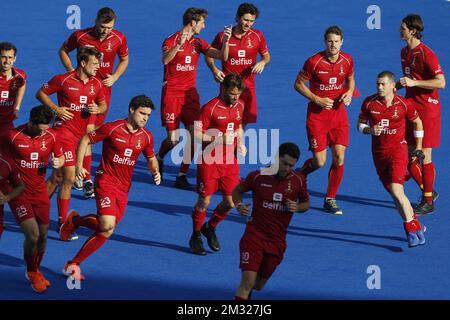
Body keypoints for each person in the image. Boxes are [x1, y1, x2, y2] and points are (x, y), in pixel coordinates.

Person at [60, 95, 161, 280]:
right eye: (142, 113)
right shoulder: (112, 128)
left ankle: (74, 221)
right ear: (131, 110)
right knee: (107, 225)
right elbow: (85, 140)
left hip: (124, 188)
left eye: (148, 115)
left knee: (106, 229)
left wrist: (155, 171)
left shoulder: (146, 137)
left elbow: (151, 158)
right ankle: (72, 264)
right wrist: (79, 166)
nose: (145, 118)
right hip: (105, 180)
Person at [36, 46, 107, 240]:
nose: (98, 67)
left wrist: (98, 109)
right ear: (83, 63)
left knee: (57, 177)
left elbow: (103, 105)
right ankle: (62, 224)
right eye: (94, 64)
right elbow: (40, 93)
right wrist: (56, 109)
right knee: (68, 176)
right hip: (63, 133)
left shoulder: (97, 84)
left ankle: (36, 207)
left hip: (81, 138)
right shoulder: (63, 79)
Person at [156, 8, 231, 190]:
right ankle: (159, 157)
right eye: (202, 22)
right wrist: (178, 45)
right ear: (193, 22)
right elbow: (165, 60)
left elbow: (222, 56)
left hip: (190, 95)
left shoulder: (198, 43)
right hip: (172, 94)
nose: (204, 26)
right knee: (174, 140)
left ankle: (181, 175)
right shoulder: (171, 40)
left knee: (194, 136)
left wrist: (226, 42)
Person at [59, 7, 129, 195]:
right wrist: (70, 70)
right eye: (103, 26)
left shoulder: (119, 38)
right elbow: (64, 50)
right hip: (79, 90)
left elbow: (125, 59)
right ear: (96, 21)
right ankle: (85, 177)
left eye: (110, 27)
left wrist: (115, 77)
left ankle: (82, 175)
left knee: (91, 132)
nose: (106, 30)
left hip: (102, 92)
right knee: (81, 131)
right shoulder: (80, 36)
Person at [357, 71, 426, 247]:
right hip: (379, 155)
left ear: (393, 86)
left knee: (396, 190)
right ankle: (416, 224)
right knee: (397, 196)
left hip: (398, 150)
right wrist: (369, 131)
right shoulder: (369, 103)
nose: (379, 87)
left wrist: (418, 147)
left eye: (383, 84)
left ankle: (410, 231)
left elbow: (418, 122)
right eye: (378, 84)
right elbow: (360, 124)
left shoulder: (404, 104)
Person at [233, 143, 310, 300]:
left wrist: (297, 207)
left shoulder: (298, 181)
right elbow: (237, 190)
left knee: (258, 285)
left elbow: (306, 204)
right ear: (277, 158)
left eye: (291, 165)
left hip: (276, 242)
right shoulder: (258, 176)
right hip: (254, 236)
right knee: (246, 283)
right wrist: (239, 205)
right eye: (284, 163)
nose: (287, 168)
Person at [1, 105, 65, 292]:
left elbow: (60, 159)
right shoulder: (11, 136)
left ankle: (35, 268)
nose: (41, 133)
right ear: (30, 122)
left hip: (40, 192)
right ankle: (31, 272)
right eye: (39, 129)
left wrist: (58, 162)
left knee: (43, 237)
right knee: (33, 234)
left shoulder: (51, 136)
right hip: (18, 192)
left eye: (45, 129)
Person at [294, 25, 356, 215]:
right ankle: (299, 175)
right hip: (317, 118)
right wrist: (317, 99)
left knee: (339, 157)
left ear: (342, 42)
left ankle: (330, 199)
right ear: (325, 42)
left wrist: (350, 92)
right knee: (320, 162)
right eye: (330, 41)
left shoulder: (347, 60)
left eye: (336, 41)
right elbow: (298, 84)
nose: (333, 45)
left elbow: (351, 79)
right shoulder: (313, 62)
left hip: (338, 116)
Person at [189, 73, 246, 255]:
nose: (235, 98)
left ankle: (210, 227)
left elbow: (238, 126)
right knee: (204, 200)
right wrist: (220, 138)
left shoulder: (240, 105)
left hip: (230, 162)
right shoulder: (209, 109)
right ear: (222, 89)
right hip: (209, 161)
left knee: (230, 202)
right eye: (232, 94)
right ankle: (196, 235)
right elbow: (197, 135)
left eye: (238, 94)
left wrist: (242, 144)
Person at [398, 14, 446, 215]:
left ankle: (428, 201)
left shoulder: (427, 54)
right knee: (409, 157)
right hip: (411, 109)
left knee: (424, 156)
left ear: (413, 31)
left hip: (428, 110)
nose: (399, 30)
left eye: (402, 28)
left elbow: (441, 82)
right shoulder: (404, 52)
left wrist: (414, 83)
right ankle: (428, 191)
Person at [205, 3, 270, 126]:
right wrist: (214, 69)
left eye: (252, 21)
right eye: (245, 20)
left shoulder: (258, 36)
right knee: (226, 123)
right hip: (229, 89)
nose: (248, 24)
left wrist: (262, 62)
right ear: (237, 17)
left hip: (248, 88)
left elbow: (266, 55)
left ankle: (237, 145)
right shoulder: (223, 37)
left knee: (242, 124)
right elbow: (208, 54)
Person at [0, 42, 26, 133]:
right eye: (3, 57)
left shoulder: (20, 76)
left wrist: (17, 107)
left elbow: (22, 85)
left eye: (10, 57)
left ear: (14, 59)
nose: (7, 61)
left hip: (7, 123)